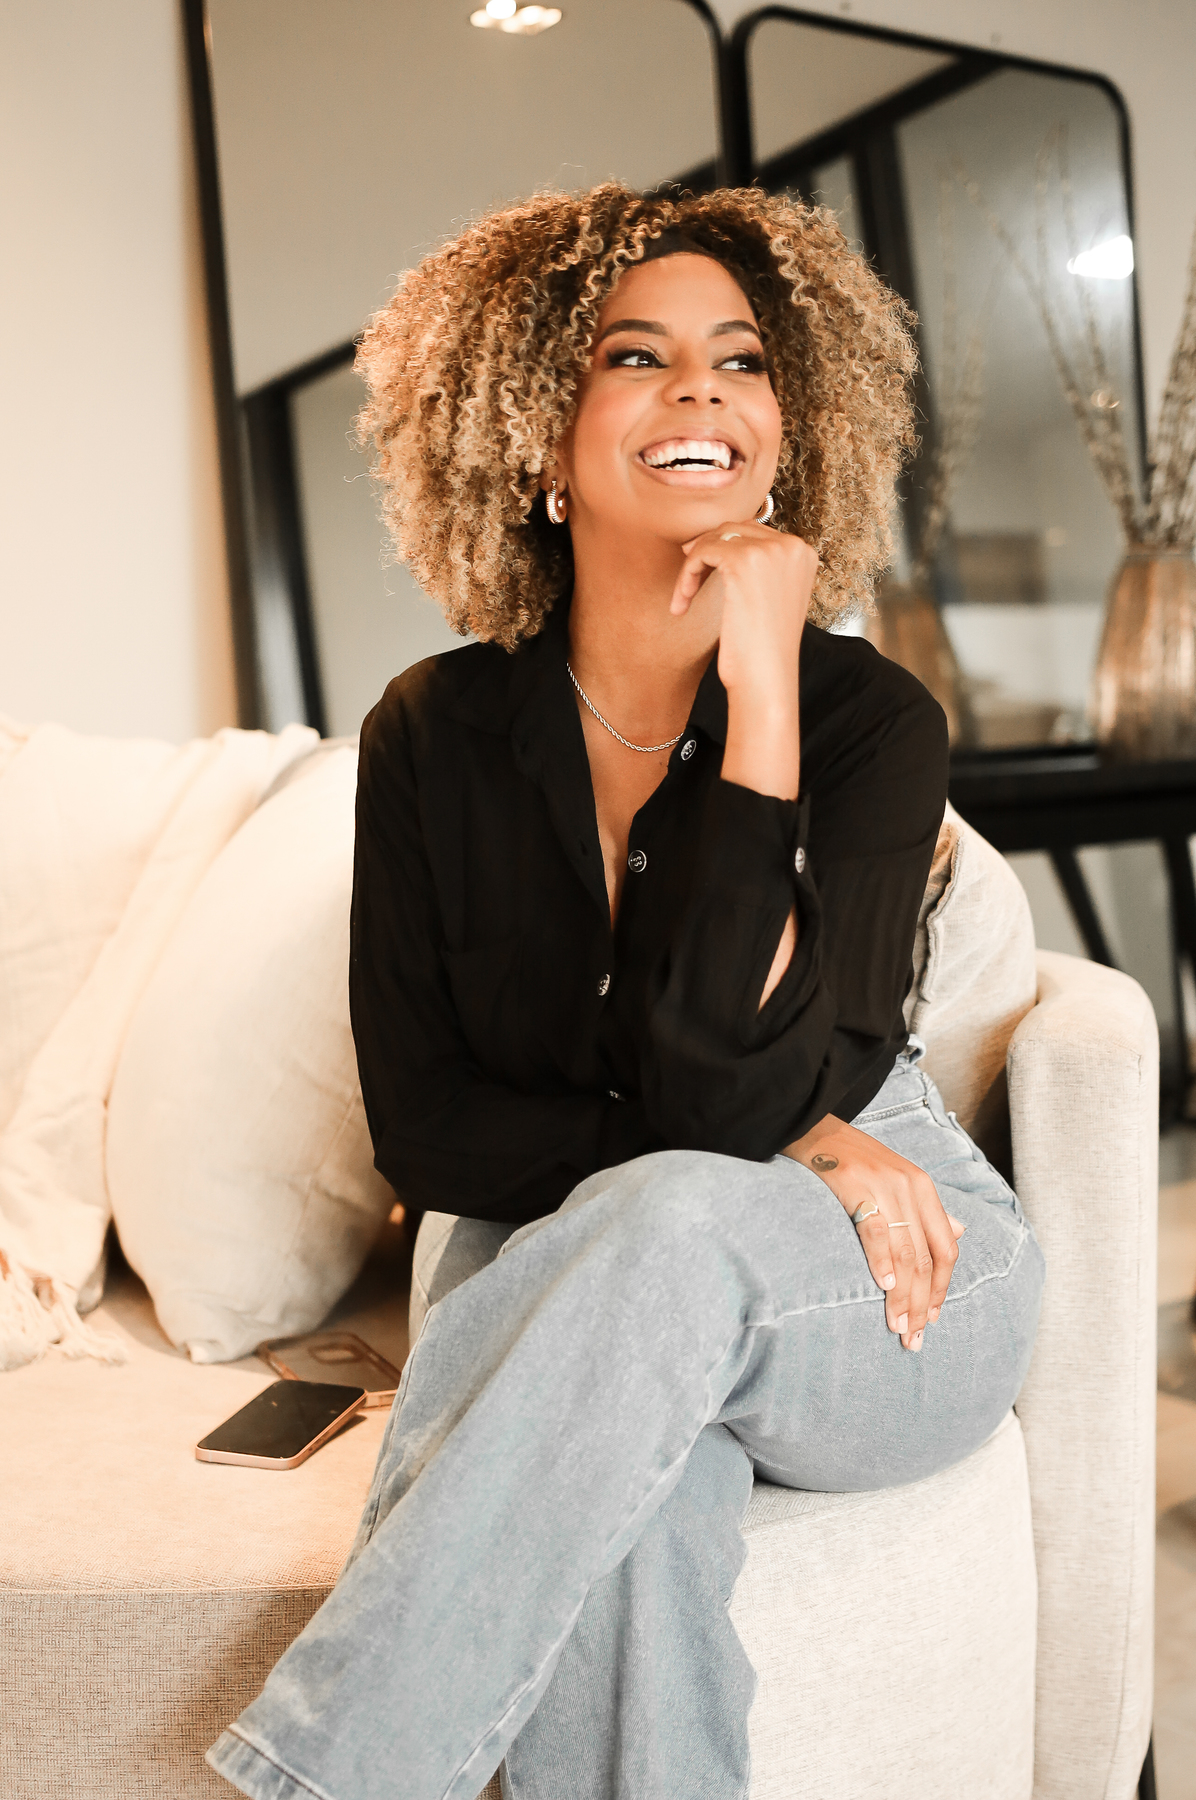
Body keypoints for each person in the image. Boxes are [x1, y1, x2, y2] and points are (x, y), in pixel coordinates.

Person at [208, 184, 1044, 1800]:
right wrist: (777, 1137)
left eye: (743, 360)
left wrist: (763, 692)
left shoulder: (871, 726)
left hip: (887, 1264)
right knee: (629, 1494)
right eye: (636, 355)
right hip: (617, 1252)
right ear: (534, 430)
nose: (702, 391)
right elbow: (431, 1137)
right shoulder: (431, 734)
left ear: (788, 430)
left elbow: (738, 1087)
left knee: (659, 1228)